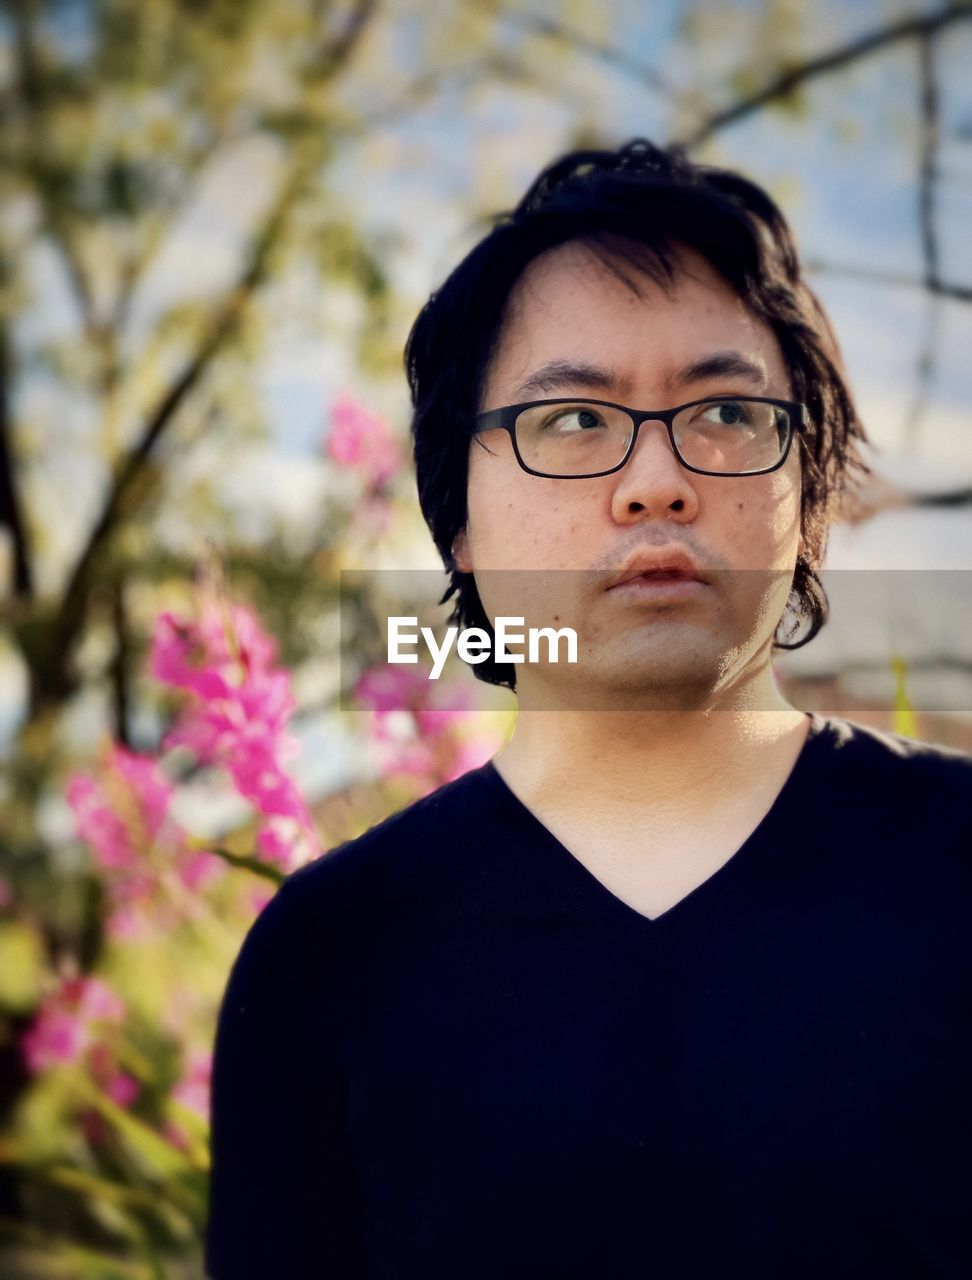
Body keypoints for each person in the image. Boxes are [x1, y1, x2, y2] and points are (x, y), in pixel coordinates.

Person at [204, 139, 972, 1278]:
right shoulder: (326, 959)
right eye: (571, 421)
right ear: (456, 516)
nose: (655, 479)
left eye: (725, 411)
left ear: (810, 493)